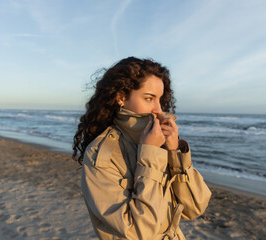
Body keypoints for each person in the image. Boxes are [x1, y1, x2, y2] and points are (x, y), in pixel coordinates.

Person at [73, 57, 211, 240]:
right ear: (121, 97)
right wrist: (150, 155)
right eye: (149, 98)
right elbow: (141, 232)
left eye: (160, 99)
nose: (158, 109)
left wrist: (175, 152)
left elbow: (195, 208)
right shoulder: (100, 155)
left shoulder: (159, 144)